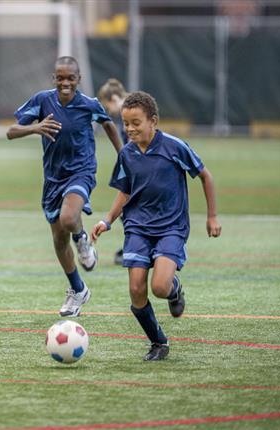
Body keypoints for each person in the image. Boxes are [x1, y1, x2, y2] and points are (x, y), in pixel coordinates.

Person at [91, 91, 222, 361]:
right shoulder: (126, 154)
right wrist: (107, 220)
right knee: (137, 290)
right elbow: (124, 192)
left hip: (171, 227)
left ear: (153, 121)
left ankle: (175, 289)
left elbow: (205, 176)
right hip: (137, 227)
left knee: (160, 287)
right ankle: (158, 342)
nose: (129, 129)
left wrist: (212, 217)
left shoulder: (174, 147)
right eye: (126, 123)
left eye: (136, 123)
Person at [6, 56, 122, 318]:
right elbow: (11, 131)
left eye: (71, 78)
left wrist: (124, 155)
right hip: (52, 180)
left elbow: (108, 124)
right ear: (54, 78)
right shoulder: (42, 101)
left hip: (81, 172)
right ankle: (78, 290)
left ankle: (82, 240)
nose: (65, 82)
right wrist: (35, 128)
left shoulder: (88, 104)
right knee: (59, 240)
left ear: (78, 79)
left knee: (69, 218)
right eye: (60, 77)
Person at [97, 78, 129, 265]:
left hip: (134, 167)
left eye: (107, 105)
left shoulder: (129, 111)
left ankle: (134, 249)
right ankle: (132, 247)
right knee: (126, 209)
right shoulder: (128, 111)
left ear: (114, 98)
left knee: (127, 208)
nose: (109, 111)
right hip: (128, 166)